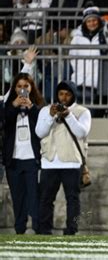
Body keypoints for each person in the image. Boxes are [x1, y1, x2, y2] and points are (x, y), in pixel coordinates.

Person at [35, 80, 91, 235]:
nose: (63, 98)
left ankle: (72, 230)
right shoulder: (46, 110)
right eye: (61, 94)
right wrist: (51, 116)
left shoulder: (82, 112)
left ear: (73, 95)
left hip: (72, 162)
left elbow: (81, 133)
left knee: (73, 200)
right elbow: (40, 133)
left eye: (67, 94)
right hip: (49, 161)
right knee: (46, 199)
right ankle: (44, 230)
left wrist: (69, 116)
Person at [2, 71, 45, 234]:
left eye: (25, 86)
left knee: (34, 197)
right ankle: (19, 229)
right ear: (14, 88)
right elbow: (3, 121)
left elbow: (43, 126)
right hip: (13, 160)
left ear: (31, 87)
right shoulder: (8, 105)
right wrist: (13, 106)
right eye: (19, 86)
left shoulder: (39, 105)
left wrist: (31, 107)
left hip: (32, 159)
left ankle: (37, 228)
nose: (22, 90)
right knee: (18, 198)